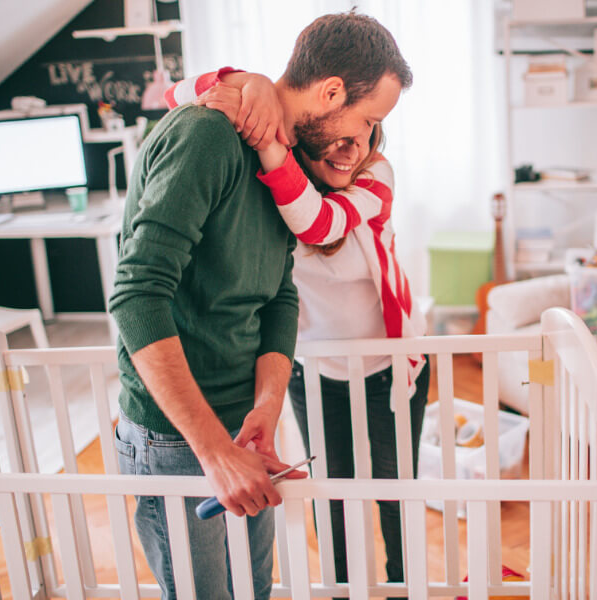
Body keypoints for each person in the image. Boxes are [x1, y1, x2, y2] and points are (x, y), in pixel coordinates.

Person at [109, 13, 412, 599]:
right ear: (330, 92)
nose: (367, 139)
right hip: (177, 436)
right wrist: (213, 451)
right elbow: (136, 294)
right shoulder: (206, 136)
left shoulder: (286, 163)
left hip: (239, 426)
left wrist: (267, 406)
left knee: (254, 590)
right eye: (367, 118)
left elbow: (279, 294)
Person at [166, 64, 428, 594]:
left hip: (391, 368)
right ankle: (341, 589)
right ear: (306, 134)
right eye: (343, 135)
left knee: (396, 490)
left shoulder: (378, 179)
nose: (351, 149)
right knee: (330, 496)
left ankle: (405, 585)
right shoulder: (277, 192)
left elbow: (321, 224)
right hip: (315, 368)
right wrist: (249, 83)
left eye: (366, 135)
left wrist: (269, 144)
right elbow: (175, 93)